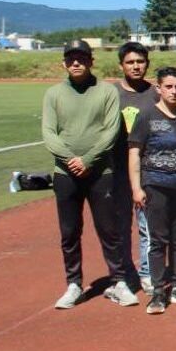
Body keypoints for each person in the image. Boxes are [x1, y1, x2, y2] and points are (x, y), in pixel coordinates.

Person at [42, 39, 136, 309]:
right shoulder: (53, 94)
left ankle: (119, 281)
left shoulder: (106, 91)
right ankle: (74, 283)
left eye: (81, 58)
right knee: (69, 231)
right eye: (71, 58)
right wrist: (71, 160)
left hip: (100, 171)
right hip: (65, 173)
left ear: (91, 61)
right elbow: (49, 133)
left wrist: (88, 159)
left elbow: (110, 130)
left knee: (109, 229)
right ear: (64, 62)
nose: (76, 63)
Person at [128, 66, 176, 314]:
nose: (174, 92)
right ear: (159, 88)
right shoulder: (146, 116)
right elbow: (134, 153)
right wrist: (136, 188)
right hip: (156, 186)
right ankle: (159, 291)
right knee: (158, 240)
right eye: (168, 87)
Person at [112, 41, 156, 293]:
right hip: (116, 170)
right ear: (121, 65)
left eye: (140, 61)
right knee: (119, 226)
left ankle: (147, 273)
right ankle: (124, 273)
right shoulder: (111, 94)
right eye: (130, 62)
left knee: (146, 225)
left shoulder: (155, 93)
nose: (136, 66)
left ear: (147, 64)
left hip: (146, 170)